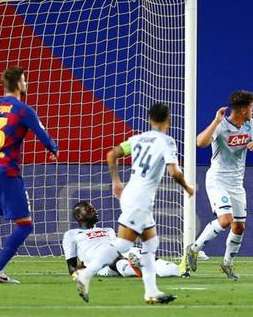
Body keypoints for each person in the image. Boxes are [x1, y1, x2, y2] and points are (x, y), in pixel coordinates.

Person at [73, 103, 194, 304]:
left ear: (149, 120)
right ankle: (87, 274)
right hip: (140, 199)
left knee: (151, 242)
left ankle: (151, 291)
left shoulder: (137, 139)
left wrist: (116, 181)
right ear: (169, 120)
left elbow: (111, 154)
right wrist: (188, 188)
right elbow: (174, 172)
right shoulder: (167, 141)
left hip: (131, 193)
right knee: (122, 244)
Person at [0, 67, 58, 283]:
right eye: (24, 80)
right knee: (25, 224)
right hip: (7, 171)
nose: (26, 83)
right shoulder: (23, 110)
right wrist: (53, 148)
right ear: (19, 85)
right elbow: (42, 135)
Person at [181, 90, 253, 280]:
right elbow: (200, 142)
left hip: (237, 184)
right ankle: (193, 249)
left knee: (239, 227)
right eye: (252, 107)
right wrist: (215, 122)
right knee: (226, 220)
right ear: (243, 109)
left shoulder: (249, 124)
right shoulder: (221, 126)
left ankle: (227, 264)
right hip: (218, 179)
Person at [63, 201, 179, 278]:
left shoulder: (108, 230)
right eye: (89, 209)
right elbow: (72, 269)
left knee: (142, 253)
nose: (94, 210)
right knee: (112, 256)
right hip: (102, 262)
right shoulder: (71, 235)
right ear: (78, 216)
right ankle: (138, 269)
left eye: (93, 208)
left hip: (121, 253)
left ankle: (175, 269)